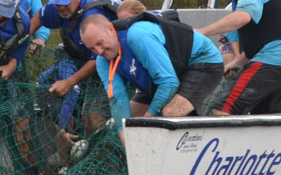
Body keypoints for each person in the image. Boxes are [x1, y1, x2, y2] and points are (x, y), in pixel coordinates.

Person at [80, 13, 224, 137]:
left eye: (100, 43)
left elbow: (169, 82)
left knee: (168, 114)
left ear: (111, 29)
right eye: (92, 48)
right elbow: (117, 99)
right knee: (129, 120)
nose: (99, 51)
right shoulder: (102, 61)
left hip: (202, 62)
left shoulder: (137, 35)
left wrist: (148, 118)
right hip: (161, 77)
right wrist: (123, 133)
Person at [30, 0, 121, 151]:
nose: (61, 7)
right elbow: (38, 18)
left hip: (110, 63)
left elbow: (99, 58)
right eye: (57, 3)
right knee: (44, 85)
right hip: (83, 58)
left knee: (92, 117)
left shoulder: (92, 16)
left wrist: (69, 82)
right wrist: (23, 41)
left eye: (65, 2)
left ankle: (106, 157)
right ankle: (67, 137)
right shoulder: (58, 8)